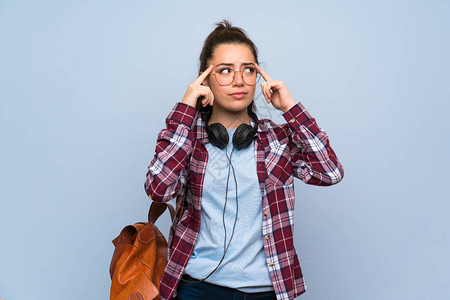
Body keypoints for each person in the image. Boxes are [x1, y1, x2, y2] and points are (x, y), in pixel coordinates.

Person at [144, 20, 344, 300]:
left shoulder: (277, 140)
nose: (239, 81)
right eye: (225, 71)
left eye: (248, 70)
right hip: (195, 288)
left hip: (265, 290)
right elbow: (159, 189)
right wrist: (185, 110)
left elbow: (330, 172)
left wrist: (290, 107)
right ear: (204, 79)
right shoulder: (189, 139)